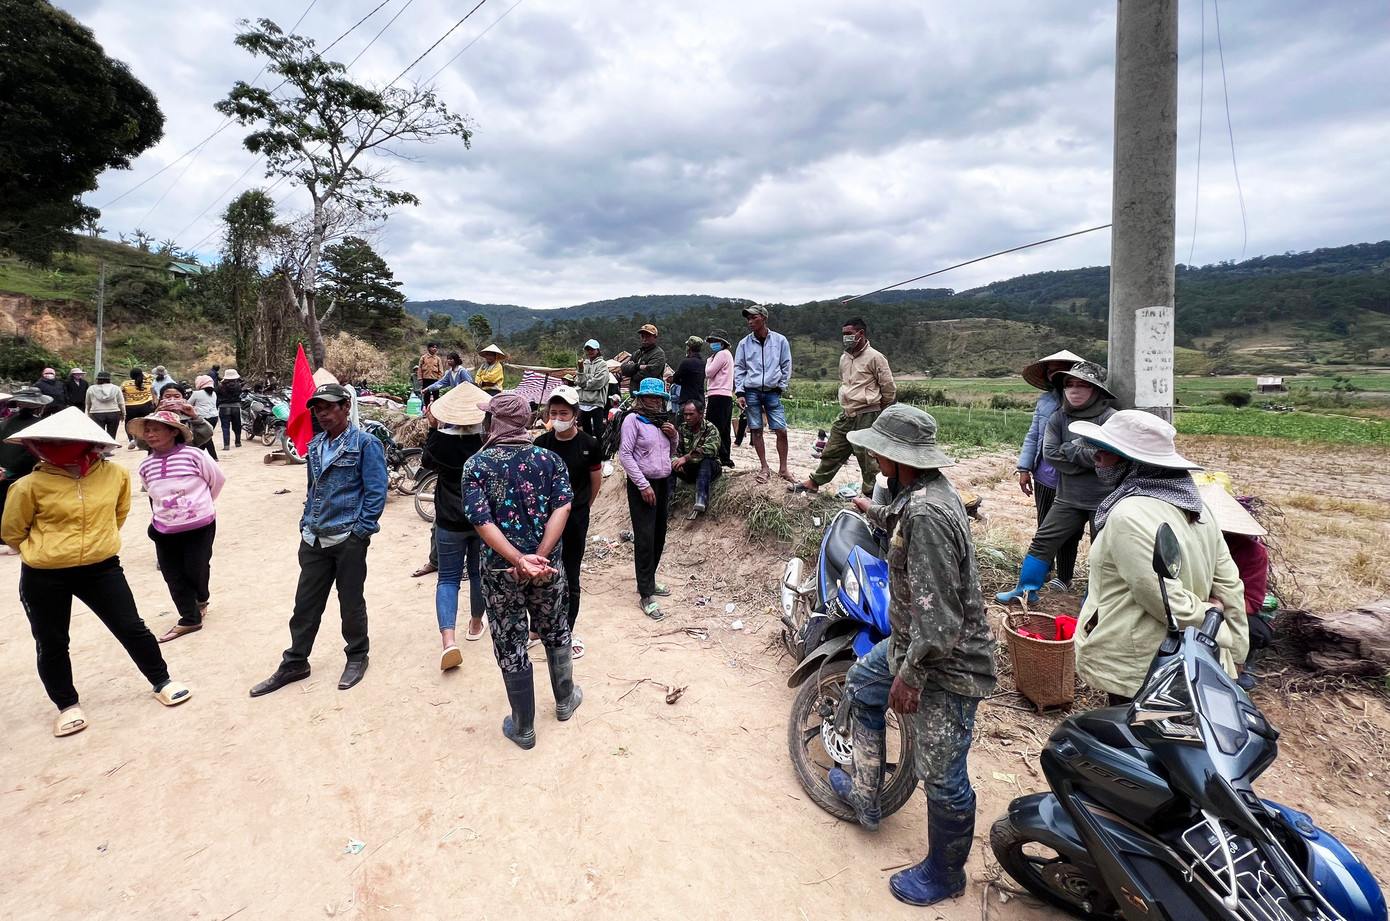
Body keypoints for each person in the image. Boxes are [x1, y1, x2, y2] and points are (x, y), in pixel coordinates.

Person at [830, 405, 996, 907]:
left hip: (944, 661)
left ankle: (946, 873)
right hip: (911, 644)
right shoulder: (924, 493)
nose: (874, 455)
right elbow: (898, 518)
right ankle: (866, 793)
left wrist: (911, 676)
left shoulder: (926, 514)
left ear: (898, 458)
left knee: (942, 773)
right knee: (861, 684)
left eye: (880, 450)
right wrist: (866, 506)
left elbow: (941, 622)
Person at [2, 408, 193, 737]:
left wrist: (95, 543)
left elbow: (118, 513)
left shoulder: (116, 475)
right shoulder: (28, 486)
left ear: (88, 443)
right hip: (45, 575)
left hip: (101, 568)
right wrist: (47, 551)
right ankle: (67, 705)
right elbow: (12, 532)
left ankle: (161, 681)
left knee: (131, 627)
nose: (56, 446)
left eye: (65, 441)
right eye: (49, 441)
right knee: (52, 642)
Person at [1070, 410, 1248, 704]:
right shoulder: (1197, 509)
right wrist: (1237, 650)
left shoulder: (1129, 515)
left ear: (1134, 463)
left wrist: (1220, 630)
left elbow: (1166, 601)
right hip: (1192, 658)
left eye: (1107, 450)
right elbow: (1229, 586)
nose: (1095, 456)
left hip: (1144, 664)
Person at [250, 383, 388, 697]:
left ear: (345, 406)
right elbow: (313, 489)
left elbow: (376, 493)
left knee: (350, 603)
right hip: (313, 538)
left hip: (347, 538)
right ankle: (296, 661)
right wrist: (305, 523)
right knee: (305, 604)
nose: (322, 414)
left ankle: (356, 656)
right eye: (317, 408)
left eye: (328, 407)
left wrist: (359, 532)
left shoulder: (365, 444)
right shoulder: (314, 446)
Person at [461, 391, 578, 750]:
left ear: (494, 422)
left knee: (511, 643)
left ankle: (524, 728)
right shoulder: (550, 459)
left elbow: (481, 521)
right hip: (548, 570)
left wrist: (517, 559)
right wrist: (538, 557)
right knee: (556, 630)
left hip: (500, 573)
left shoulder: (476, 466)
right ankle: (564, 701)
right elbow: (564, 507)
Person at [996, 361, 1116, 604]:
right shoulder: (1059, 417)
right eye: (1069, 384)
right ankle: (1025, 591)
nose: (1074, 390)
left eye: (1082, 384)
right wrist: (1089, 457)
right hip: (1068, 496)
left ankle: (1094, 599)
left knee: (1102, 550)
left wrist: (1070, 450)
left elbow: (1110, 457)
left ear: (1096, 389)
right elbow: (1050, 453)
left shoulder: (1109, 419)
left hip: (1103, 497)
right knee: (1044, 539)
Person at [130, 411, 226, 643]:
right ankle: (190, 618)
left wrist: (200, 506)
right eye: (147, 430)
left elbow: (217, 480)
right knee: (172, 573)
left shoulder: (195, 455)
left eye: (156, 429)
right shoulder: (146, 465)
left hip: (200, 524)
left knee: (197, 567)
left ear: (174, 432)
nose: (150, 434)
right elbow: (152, 494)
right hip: (164, 527)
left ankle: (201, 599)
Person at [421, 382, 490, 666]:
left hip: (448, 519)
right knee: (477, 573)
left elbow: (426, 462)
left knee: (447, 579)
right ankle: (475, 625)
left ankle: (448, 641)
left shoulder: (440, 441)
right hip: (481, 521)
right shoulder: (486, 442)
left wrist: (434, 428)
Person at [533, 385, 603, 658]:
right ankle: (537, 629)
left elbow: (594, 482)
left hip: (575, 518)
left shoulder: (589, 445)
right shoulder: (541, 445)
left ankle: (567, 630)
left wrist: (583, 507)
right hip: (544, 519)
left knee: (570, 573)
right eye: (554, 412)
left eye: (564, 412)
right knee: (541, 570)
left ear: (575, 414)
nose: (559, 417)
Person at [794, 316, 896, 497]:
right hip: (847, 413)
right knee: (832, 449)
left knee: (869, 460)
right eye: (844, 334)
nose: (845, 338)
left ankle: (871, 497)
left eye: (848, 334)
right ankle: (814, 482)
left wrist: (880, 409)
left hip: (868, 414)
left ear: (861, 333)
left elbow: (888, 387)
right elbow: (845, 383)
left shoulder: (875, 357)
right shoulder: (844, 358)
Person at [1014, 349, 1086, 591]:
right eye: (1051, 369)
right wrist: (1024, 468)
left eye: (1061, 368)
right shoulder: (1045, 401)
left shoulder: (1085, 400)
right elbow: (1034, 434)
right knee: (1045, 525)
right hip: (1044, 474)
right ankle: (1044, 569)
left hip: (1073, 477)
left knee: (1069, 528)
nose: (1055, 373)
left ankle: (1064, 577)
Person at [1197, 482, 1271, 690]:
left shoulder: (1253, 552)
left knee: (1255, 632)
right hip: (1194, 605)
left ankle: (1243, 659)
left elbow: (1253, 602)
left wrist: (1218, 604)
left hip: (1231, 609)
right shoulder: (1187, 540)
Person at [619, 377, 679, 620]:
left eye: (659, 398)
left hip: (663, 483)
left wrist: (673, 436)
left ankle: (650, 580)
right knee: (644, 537)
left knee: (659, 533)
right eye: (651, 397)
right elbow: (625, 455)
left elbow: (670, 452)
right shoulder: (633, 420)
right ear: (641, 398)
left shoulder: (663, 423)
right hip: (642, 484)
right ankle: (645, 593)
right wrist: (643, 485)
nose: (655, 401)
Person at [733, 304, 793, 484]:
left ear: (764, 318)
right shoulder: (744, 343)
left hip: (772, 391)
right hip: (751, 391)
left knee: (781, 430)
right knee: (756, 430)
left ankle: (783, 469)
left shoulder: (780, 341)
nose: (750, 322)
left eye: (754, 318)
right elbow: (740, 368)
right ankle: (764, 467)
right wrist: (740, 392)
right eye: (748, 319)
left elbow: (786, 365)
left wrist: (781, 387)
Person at [0, 388, 54, 526]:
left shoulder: (5, 423)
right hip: (25, 475)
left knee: (5, 509)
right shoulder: (42, 426)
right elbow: (33, 452)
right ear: (39, 406)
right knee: (24, 513)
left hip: (2, 475)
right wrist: (9, 471)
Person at [670, 398, 721, 520]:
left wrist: (686, 458)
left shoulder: (711, 429)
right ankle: (668, 504)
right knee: (669, 468)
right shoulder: (682, 429)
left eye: (691, 414)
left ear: (701, 414)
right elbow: (674, 448)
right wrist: (676, 462)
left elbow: (711, 449)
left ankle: (701, 500)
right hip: (690, 468)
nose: (687, 418)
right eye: (685, 415)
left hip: (709, 468)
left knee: (706, 462)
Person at [704, 329, 735, 468]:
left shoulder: (721, 355)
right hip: (725, 395)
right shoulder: (727, 354)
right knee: (724, 427)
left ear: (722, 343)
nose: (712, 344)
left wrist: (708, 361)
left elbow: (709, 373)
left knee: (714, 427)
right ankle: (725, 456)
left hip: (718, 394)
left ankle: (718, 456)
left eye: (714, 341)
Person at [576, 339, 610, 446]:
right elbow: (578, 380)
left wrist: (584, 383)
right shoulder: (584, 364)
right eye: (588, 349)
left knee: (599, 430)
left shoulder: (602, 364)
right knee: (586, 431)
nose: (589, 352)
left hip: (596, 402)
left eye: (592, 349)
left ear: (598, 350)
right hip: (584, 402)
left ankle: (601, 452)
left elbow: (598, 382)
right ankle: (589, 452)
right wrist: (581, 370)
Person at [619, 324, 667, 392]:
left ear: (655, 337)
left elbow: (650, 372)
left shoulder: (658, 354)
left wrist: (633, 375)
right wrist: (638, 367)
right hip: (636, 392)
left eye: (647, 336)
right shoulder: (637, 353)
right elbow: (624, 368)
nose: (644, 339)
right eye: (642, 336)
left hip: (652, 394)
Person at [85, 370, 126, 439]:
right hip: (113, 412)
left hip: (96, 413)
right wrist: (123, 413)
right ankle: (108, 449)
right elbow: (121, 402)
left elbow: (88, 402)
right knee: (112, 433)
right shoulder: (115, 388)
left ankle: (101, 447)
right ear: (109, 379)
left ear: (98, 379)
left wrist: (89, 412)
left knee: (99, 434)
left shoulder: (91, 389)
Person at [121, 368, 155, 448]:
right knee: (145, 423)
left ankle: (131, 439)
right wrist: (145, 375)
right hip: (146, 405)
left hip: (130, 406)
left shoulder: (125, 384)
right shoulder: (148, 382)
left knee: (128, 423)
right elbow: (153, 377)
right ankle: (144, 439)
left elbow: (121, 394)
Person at [670, 336, 707, 408]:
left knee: (683, 419)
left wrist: (683, 382)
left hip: (687, 402)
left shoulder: (686, 363)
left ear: (688, 348)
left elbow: (675, 378)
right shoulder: (703, 364)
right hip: (700, 402)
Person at [189, 375, 220, 458]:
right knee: (207, 436)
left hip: (203, 417)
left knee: (205, 437)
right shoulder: (214, 393)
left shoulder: (197, 393)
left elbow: (188, 404)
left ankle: (213, 456)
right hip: (214, 417)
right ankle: (200, 454)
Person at [216, 369, 243, 450]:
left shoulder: (220, 387)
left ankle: (226, 445)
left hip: (224, 407)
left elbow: (215, 391)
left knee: (225, 426)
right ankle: (238, 442)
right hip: (236, 407)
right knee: (237, 425)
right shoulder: (238, 386)